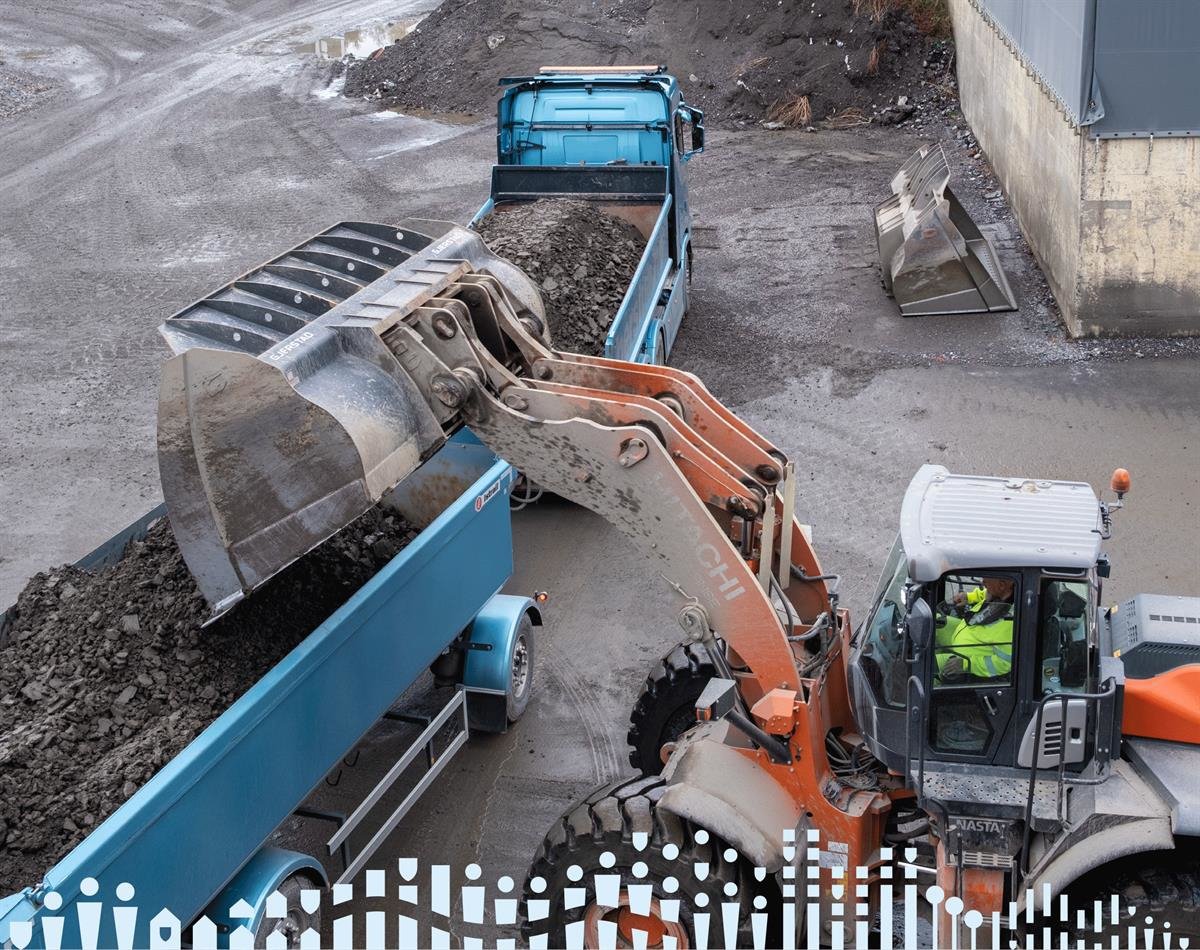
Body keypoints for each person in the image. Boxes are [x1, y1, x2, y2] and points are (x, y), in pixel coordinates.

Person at [935, 577, 1015, 681]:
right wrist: (968, 597)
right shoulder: (998, 594)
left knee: (929, 664)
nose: (982, 581)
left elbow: (1004, 663)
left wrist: (966, 664)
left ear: (1002, 585)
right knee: (933, 621)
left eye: (986, 579)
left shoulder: (1010, 623)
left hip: (963, 660)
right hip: (961, 630)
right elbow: (985, 592)